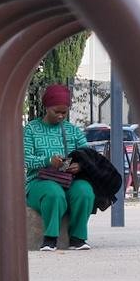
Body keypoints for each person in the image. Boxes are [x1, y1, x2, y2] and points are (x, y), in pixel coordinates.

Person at [23, 82, 95, 250]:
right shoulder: (31, 129)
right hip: (38, 181)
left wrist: (80, 165)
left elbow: (89, 155)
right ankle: (50, 238)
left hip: (69, 179)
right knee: (53, 193)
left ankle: (78, 238)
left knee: (85, 191)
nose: (61, 116)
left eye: (65, 112)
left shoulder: (73, 130)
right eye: (57, 112)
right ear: (47, 107)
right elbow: (25, 159)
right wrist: (48, 161)